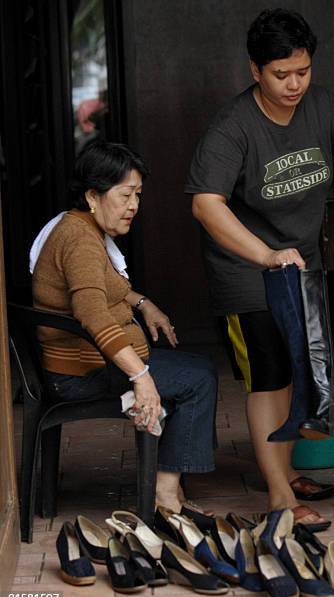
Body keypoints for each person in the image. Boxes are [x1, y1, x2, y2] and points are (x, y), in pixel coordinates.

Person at [186, 8, 334, 526]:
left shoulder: (324, 108)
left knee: (301, 367)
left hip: (299, 266)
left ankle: (286, 473)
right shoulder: (233, 126)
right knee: (270, 374)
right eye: (280, 74)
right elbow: (206, 204)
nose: (293, 84)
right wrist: (263, 254)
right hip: (245, 270)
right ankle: (280, 499)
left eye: (302, 72)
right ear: (254, 72)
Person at [31, 141, 217, 514]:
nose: (134, 205)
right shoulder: (79, 241)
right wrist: (142, 376)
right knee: (199, 379)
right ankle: (165, 493)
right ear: (93, 196)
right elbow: (92, 313)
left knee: (197, 368)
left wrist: (144, 304)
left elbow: (108, 287)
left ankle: (171, 480)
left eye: (138, 195)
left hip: (85, 365)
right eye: (126, 194)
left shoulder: (79, 227)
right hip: (83, 373)